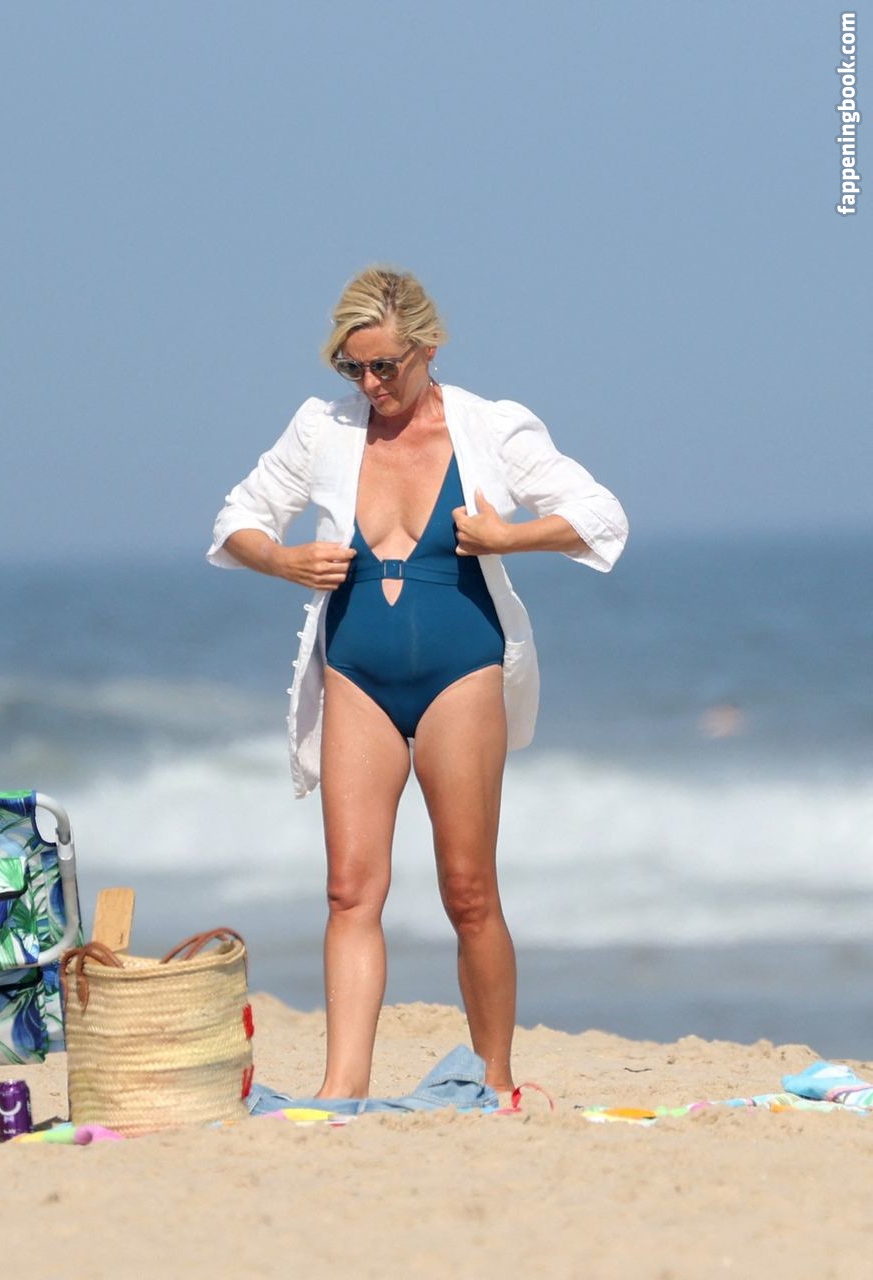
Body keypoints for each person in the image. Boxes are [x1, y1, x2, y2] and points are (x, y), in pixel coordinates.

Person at [206, 266, 626, 1098]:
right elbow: (236, 520)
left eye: (384, 366)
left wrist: (509, 537)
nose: (369, 384)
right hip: (355, 673)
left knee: (467, 891)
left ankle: (495, 1082)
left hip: (460, 672)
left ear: (427, 348)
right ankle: (342, 1089)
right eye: (351, 367)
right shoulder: (323, 428)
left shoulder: (489, 428)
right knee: (349, 891)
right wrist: (284, 560)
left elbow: (600, 515)